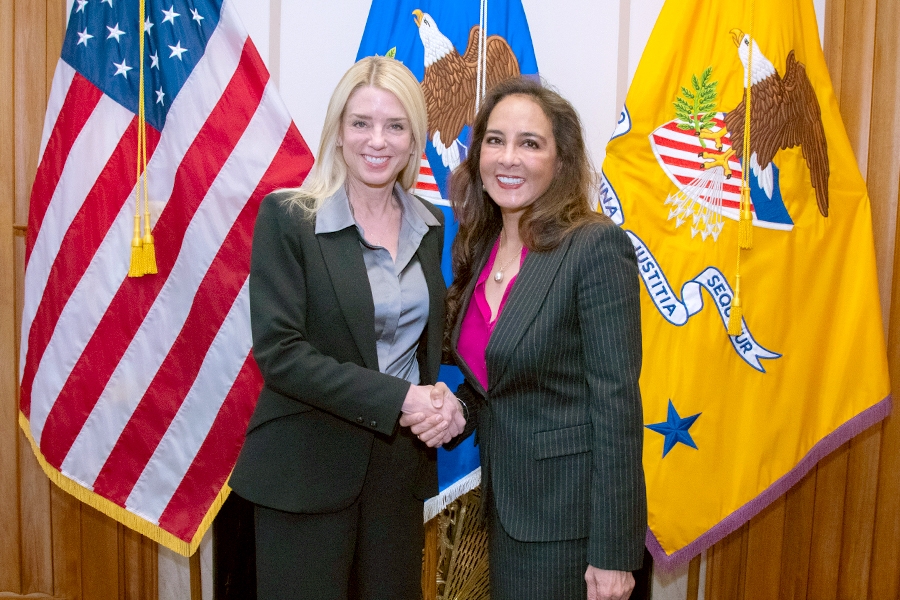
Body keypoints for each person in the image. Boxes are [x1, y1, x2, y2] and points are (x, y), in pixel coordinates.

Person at [229, 55, 465, 600]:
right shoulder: (289, 217)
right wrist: (403, 399)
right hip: (305, 468)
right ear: (338, 131)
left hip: (398, 473)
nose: (376, 140)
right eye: (360, 123)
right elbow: (282, 354)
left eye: (395, 125)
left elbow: (428, 342)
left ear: (415, 139)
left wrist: (446, 403)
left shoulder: (430, 225)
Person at [404, 77, 647, 600]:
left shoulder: (594, 246)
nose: (508, 157)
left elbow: (617, 406)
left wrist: (613, 554)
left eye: (529, 143)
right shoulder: (483, 243)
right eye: (495, 140)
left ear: (560, 160)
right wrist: (456, 408)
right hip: (506, 513)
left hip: (571, 527)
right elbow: (498, 381)